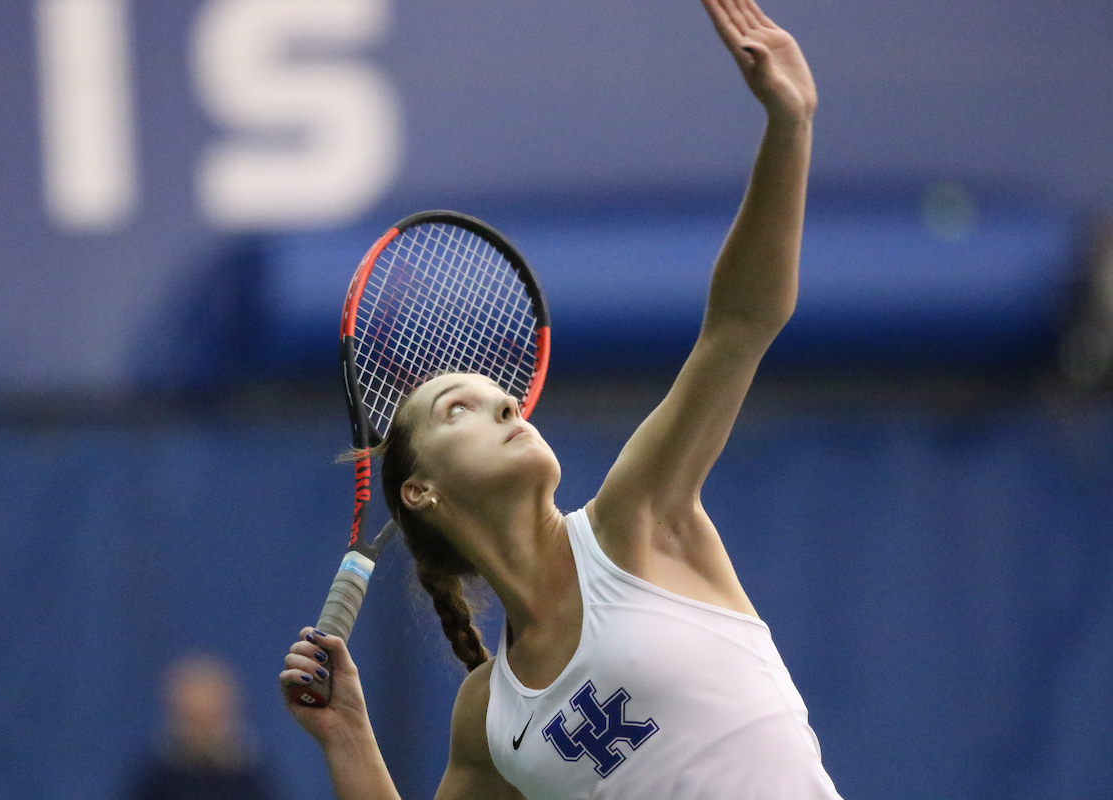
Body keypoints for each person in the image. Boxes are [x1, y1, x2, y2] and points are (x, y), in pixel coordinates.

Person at [281, 0, 841, 796]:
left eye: (502, 395)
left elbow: (740, 324)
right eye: (458, 409)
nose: (507, 405)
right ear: (419, 490)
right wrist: (346, 738)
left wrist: (790, 124)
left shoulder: (639, 519)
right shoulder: (490, 721)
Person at [129, 654, 280, 800]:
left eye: (210, 715)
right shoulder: (157, 781)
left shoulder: (250, 780)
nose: (203, 728)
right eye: (194, 717)